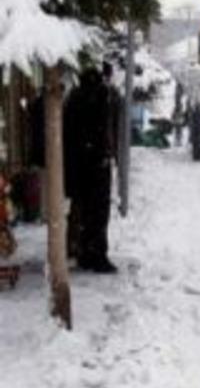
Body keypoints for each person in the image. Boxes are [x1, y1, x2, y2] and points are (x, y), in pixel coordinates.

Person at [64, 65, 122, 273]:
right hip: (96, 163)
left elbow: (68, 133)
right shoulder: (103, 97)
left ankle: (82, 250)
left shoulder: (74, 97)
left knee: (81, 209)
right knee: (98, 212)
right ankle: (95, 254)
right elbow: (107, 130)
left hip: (78, 164)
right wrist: (108, 154)